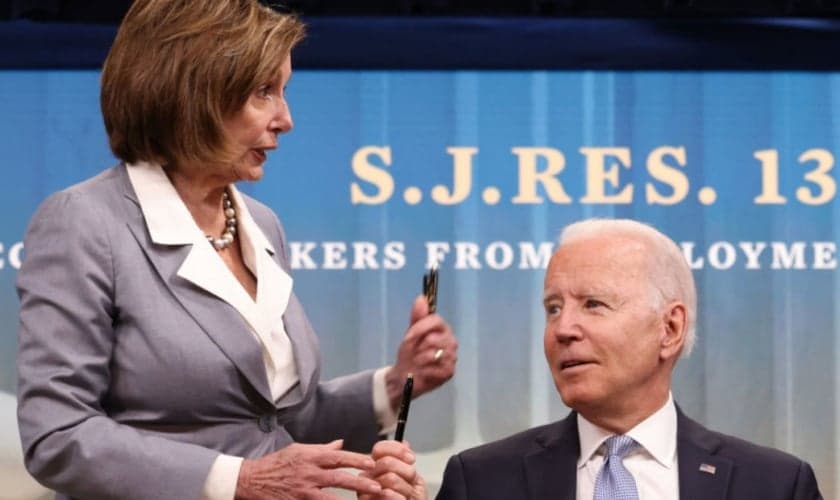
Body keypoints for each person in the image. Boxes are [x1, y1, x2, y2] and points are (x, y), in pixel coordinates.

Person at [15, 1, 456, 499]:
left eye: (283, 91)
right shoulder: (85, 223)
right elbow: (58, 433)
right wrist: (240, 480)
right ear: (193, 94)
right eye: (263, 92)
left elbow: (273, 421)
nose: (285, 119)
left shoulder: (261, 225)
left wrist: (396, 384)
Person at [436, 218, 822, 500]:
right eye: (553, 308)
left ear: (669, 329)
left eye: (594, 304)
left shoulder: (776, 485)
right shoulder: (481, 481)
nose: (563, 328)